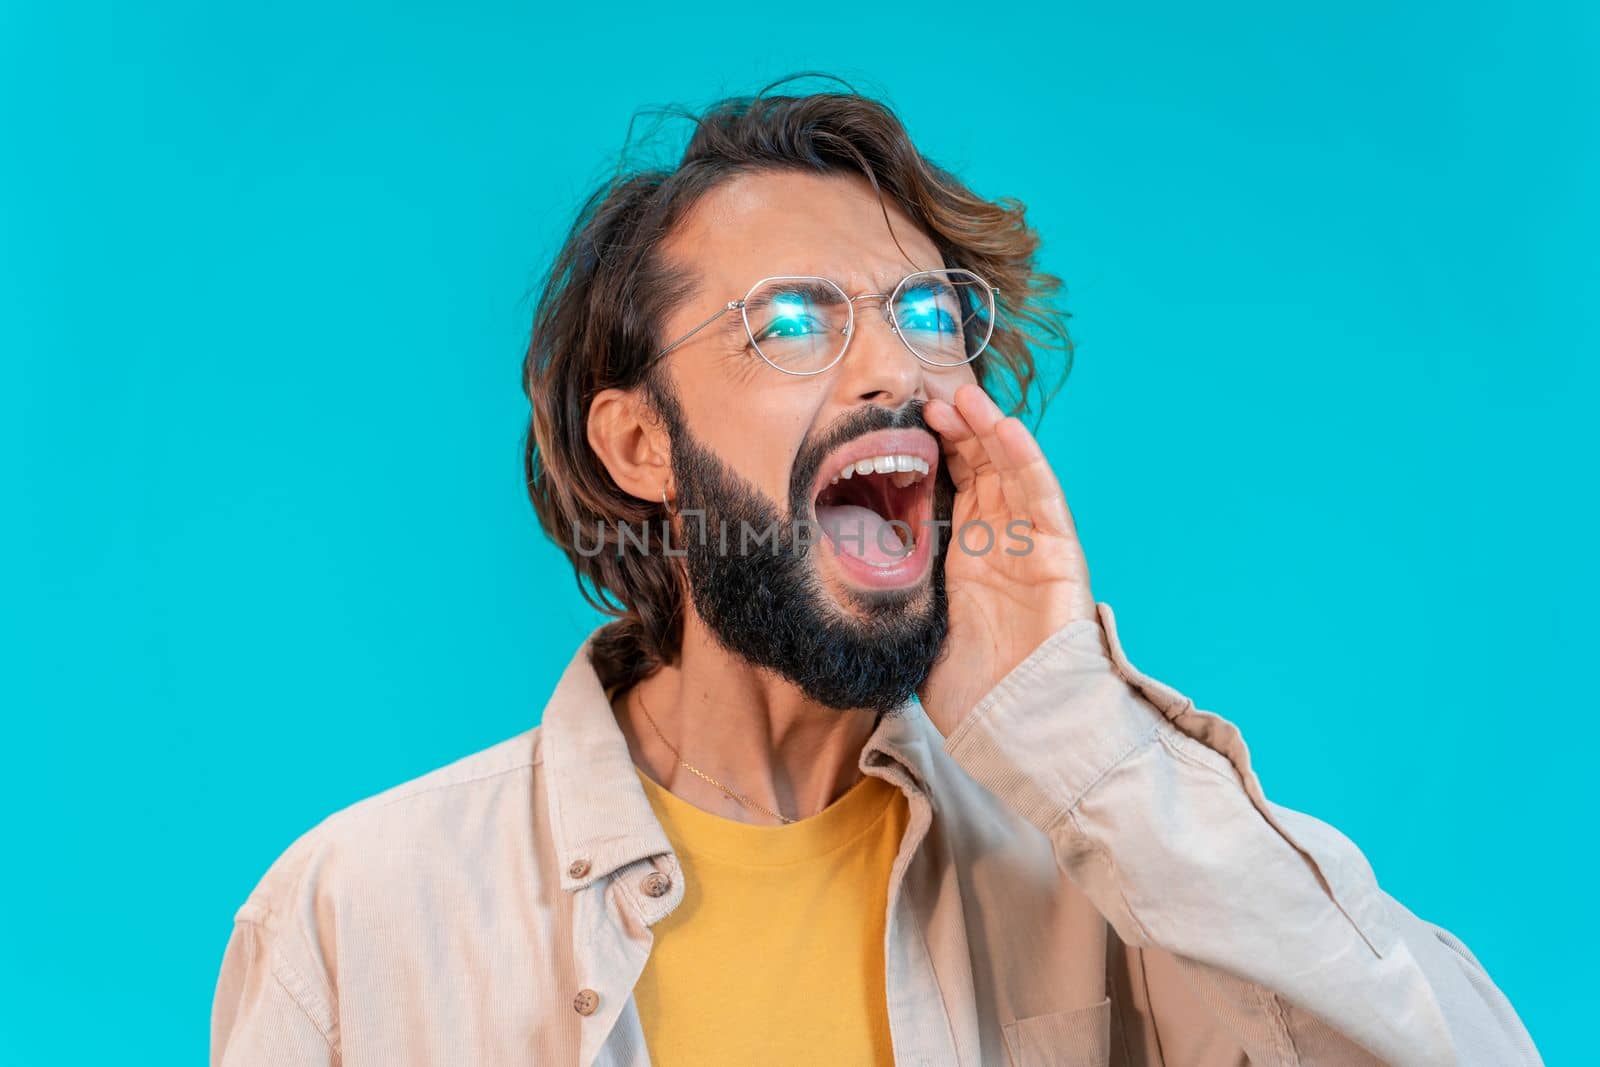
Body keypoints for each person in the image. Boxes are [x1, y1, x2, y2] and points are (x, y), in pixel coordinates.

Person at [210, 82, 1542, 1066]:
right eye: (790, 322)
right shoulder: (356, 916)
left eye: (927, 315)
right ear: (638, 445)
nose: (896, 370)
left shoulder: (1112, 867)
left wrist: (1078, 727)